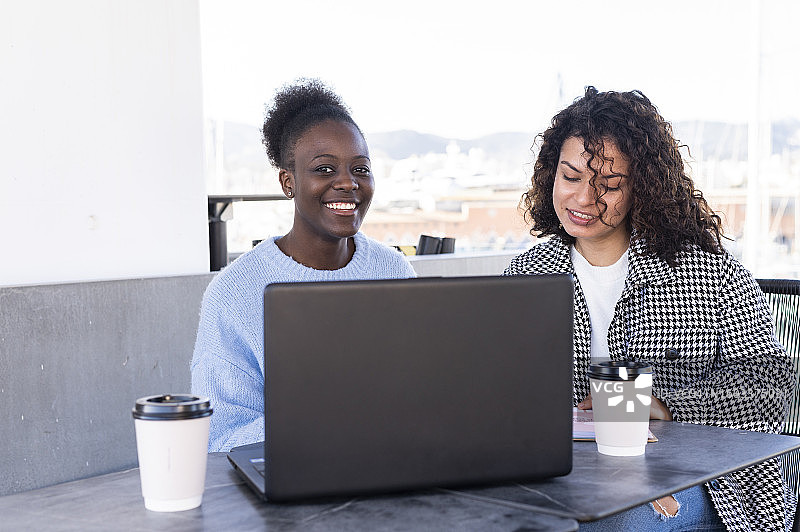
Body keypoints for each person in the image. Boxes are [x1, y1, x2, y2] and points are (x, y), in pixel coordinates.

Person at [504, 86, 795, 531]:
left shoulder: (704, 270)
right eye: (571, 176)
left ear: (645, 186)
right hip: (570, 476)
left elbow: (771, 386)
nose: (584, 198)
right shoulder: (526, 277)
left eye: (610, 183)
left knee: (610, 522)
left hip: (703, 480)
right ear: (551, 177)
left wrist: (663, 405)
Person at [191, 79, 416, 452]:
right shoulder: (234, 293)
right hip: (285, 482)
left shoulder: (394, 270)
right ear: (288, 181)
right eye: (325, 169)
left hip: (391, 467)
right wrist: (328, 420)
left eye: (360, 169)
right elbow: (219, 436)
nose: (348, 183)